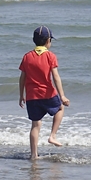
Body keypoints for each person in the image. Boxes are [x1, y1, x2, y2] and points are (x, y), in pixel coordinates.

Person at [19, 26, 70, 160]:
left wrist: (21, 95)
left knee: (35, 125)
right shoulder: (50, 56)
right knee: (60, 108)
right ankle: (52, 135)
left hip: (31, 96)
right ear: (48, 41)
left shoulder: (27, 57)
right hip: (47, 93)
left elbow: (22, 78)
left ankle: (33, 155)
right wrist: (62, 95)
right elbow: (56, 76)